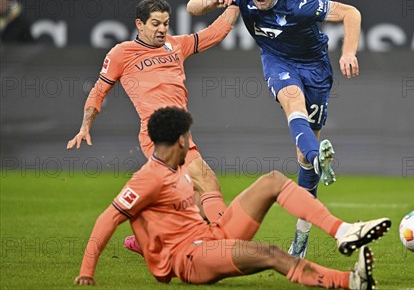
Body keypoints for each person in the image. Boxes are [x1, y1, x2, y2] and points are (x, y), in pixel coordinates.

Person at [74, 106, 391, 288]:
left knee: (272, 181)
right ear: (181, 140)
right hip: (192, 258)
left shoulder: (177, 171)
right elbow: (109, 218)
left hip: (210, 235)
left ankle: (343, 231)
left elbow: (169, 218)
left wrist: (145, 243)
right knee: (271, 253)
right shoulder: (148, 178)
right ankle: (349, 282)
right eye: (188, 136)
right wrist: (87, 272)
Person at [186, 0, 362, 258]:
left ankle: (302, 234)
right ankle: (316, 156)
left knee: (304, 161)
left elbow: (351, 13)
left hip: (316, 69)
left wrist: (348, 52)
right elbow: (192, 5)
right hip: (277, 61)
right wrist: (212, 2)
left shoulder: (300, 3)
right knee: (292, 100)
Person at [67, 0, 239, 250]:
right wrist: (85, 126)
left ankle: (148, 239)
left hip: (179, 132)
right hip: (157, 133)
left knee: (190, 198)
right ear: (140, 24)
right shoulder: (121, 53)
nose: (162, 29)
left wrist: (236, 1)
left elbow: (214, 33)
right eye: (155, 23)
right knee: (207, 182)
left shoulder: (175, 45)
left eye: (166, 23)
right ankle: (226, 245)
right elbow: (98, 90)